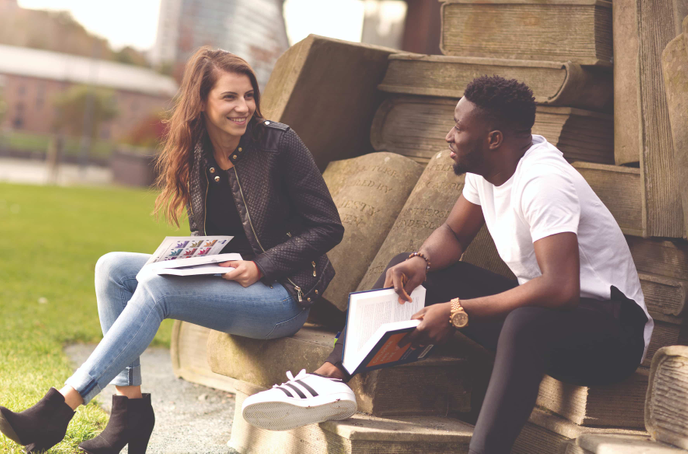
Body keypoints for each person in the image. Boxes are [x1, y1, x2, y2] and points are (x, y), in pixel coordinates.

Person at [240, 76, 654, 454]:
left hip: (612, 334)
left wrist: (457, 311)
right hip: (553, 315)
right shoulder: (490, 168)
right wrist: (420, 260)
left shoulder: (543, 182)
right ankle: (331, 377)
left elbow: (560, 288)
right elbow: (454, 236)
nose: (449, 135)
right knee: (407, 268)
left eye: (459, 127)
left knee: (525, 323)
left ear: (493, 138)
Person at [0, 47, 343, 454]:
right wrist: (189, 259)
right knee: (111, 268)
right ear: (201, 101)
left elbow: (328, 226)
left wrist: (261, 266)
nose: (244, 106)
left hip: (283, 297)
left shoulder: (279, 144)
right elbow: (216, 236)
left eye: (249, 95)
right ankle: (130, 411)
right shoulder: (198, 150)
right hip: (230, 281)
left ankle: (59, 409)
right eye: (230, 97)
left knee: (158, 288)